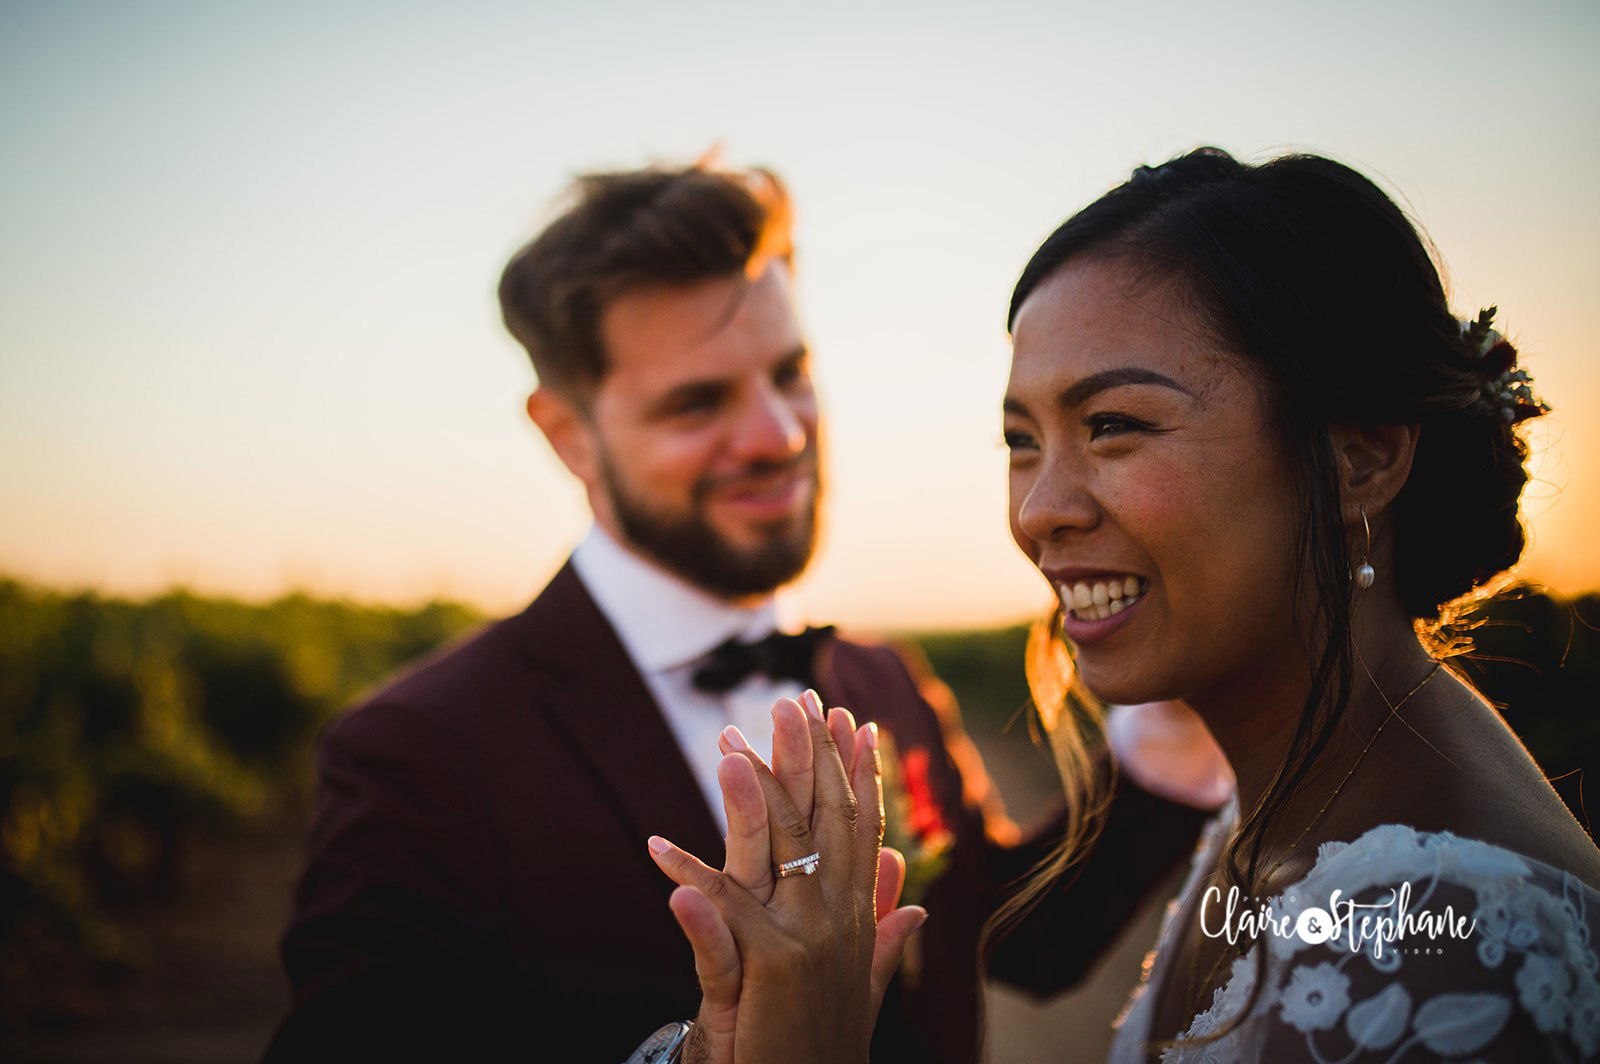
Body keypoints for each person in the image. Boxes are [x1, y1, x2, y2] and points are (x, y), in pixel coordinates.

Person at [649, 148, 1600, 1062]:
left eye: (1113, 425)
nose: (1039, 510)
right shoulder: (1286, 805)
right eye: (1022, 441)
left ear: (1361, 457)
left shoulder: (1448, 959)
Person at [264, 161, 1224, 1064]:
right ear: (569, 435)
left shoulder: (880, 677)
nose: (778, 434)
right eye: (696, 404)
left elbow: (1012, 940)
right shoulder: (417, 755)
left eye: (788, 373)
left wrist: (1172, 727)